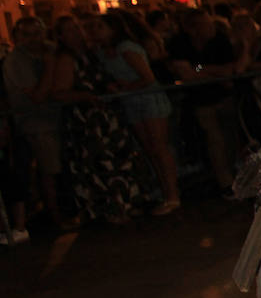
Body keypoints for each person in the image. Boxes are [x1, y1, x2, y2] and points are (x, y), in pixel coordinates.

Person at [49, 16, 151, 225]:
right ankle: (110, 208)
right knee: (101, 165)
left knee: (119, 160)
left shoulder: (91, 54)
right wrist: (86, 96)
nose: (76, 33)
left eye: (76, 28)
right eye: (69, 30)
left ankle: (127, 203)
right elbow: (59, 92)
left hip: (107, 118)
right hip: (89, 122)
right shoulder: (66, 59)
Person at [95, 11, 180, 214]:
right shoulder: (103, 52)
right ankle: (163, 190)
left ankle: (173, 195)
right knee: (149, 149)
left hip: (148, 99)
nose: (96, 32)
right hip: (132, 102)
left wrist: (126, 87)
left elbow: (148, 78)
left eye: (100, 27)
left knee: (159, 147)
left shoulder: (126, 48)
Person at [167, 6, 241, 194]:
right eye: (204, 25)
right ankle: (225, 182)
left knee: (231, 138)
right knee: (214, 140)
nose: (210, 28)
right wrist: (211, 71)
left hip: (224, 97)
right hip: (201, 101)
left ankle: (236, 175)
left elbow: (228, 70)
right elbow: (186, 74)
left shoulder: (220, 40)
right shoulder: (180, 44)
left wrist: (200, 69)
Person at [2, 16, 67, 230]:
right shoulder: (16, 61)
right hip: (36, 122)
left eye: (37, 33)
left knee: (57, 167)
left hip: (57, 117)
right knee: (49, 169)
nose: (33, 39)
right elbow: (37, 96)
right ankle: (55, 216)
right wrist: (50, 69)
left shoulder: (52, 50)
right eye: (26, 35)